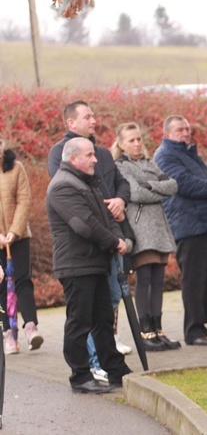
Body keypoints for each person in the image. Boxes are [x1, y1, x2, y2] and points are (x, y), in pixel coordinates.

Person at [46, 137, 133, 394]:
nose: (96, 159)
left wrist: (118, 237)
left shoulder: (87, 183)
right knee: (79, 322)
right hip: (76, 265)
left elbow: (107, 216)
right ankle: (80, 376)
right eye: (90, 155)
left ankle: (116, 371)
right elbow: (84, 225)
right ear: (74, 159)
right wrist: (114, 242)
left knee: (103, 320)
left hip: (94, 262)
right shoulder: (62, 186)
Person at [154, 115, 207, 346]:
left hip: (203, 224)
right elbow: (184, 183)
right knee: (194, 281)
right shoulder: (165, 155)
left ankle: (201, 328)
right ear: (166, 134)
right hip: (187, 226)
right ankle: (193, 331)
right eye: (179, 130)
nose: (186, 133)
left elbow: (204, 177)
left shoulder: (189, 153)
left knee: (206, 280)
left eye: (187, 129)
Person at [112, 122, 181, 351]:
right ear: (121, 144)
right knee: (145, 280)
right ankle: (145, 332)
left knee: (158, 281)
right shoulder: (120, 166)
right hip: (140, 229)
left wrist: (150, 186)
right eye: (131, 140)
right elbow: (135, 192)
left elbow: (172, 185)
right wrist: (156, 189)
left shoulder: (149, 162)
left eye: (139, 138)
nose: (136, 143)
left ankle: (158, 329)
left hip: (159, 229)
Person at [0, 137, 43, 353]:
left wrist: (13, 232)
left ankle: (30, 326)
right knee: (0, 286)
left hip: (18, 237)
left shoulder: (16, 168)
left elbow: (24, 200)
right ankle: (8, 334)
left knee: (22, 280)